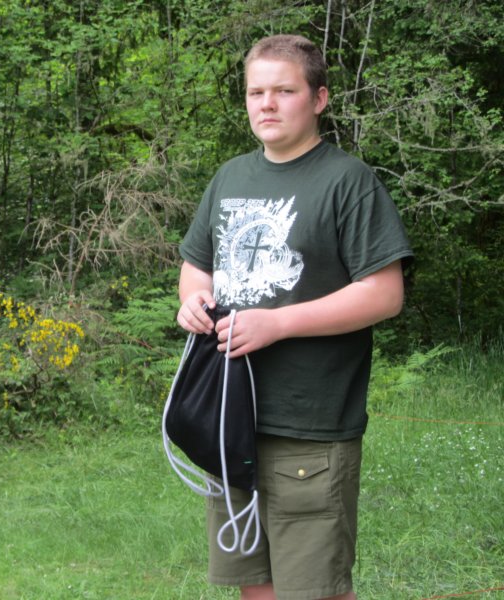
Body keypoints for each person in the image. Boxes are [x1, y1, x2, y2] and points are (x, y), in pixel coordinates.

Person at [176, 34, 413, 600]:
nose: (267, 104)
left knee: (315, 591)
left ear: (320, 98)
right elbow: (196, 265)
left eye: (285, 90)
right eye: (256, 92)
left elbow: (384, 294)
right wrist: (193, 300)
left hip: (308, 423)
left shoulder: (348, 181)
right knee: (254, 585)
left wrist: (277, 323)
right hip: (229, 415)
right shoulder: (229, 177)